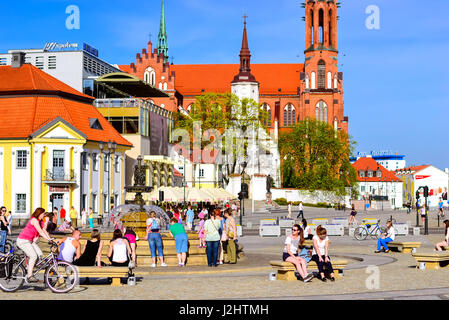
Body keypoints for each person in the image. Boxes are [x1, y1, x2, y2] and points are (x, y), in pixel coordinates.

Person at [16, 208, 54, 283]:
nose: (44, 215)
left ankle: (30, 268)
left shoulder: (40, 221)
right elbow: (40, 231)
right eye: (43, 214)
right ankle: (30, 276)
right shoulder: (34, 220)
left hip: (30, 241)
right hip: (23, 240)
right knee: (33, 256)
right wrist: (48, 239)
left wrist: (50, 239)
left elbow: (44, 230)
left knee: (40, 255)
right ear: (39, 214)